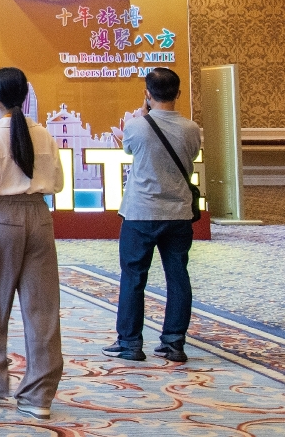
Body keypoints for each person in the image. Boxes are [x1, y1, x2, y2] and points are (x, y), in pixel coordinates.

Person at [0, 67, 64, 421]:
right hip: (39, 218)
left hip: (2, 218)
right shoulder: (45, 134)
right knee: (43, 309)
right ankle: (39, 397)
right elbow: (58, 184)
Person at [103, 67, 202, 364]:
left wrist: (141, 115)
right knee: (178, 276)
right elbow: (191, 155)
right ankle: (173, 343)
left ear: (147, 94)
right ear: (178, 93)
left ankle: (130, 342)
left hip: (141, 213)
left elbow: (129, 149)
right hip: (179, 213)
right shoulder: (191, 128)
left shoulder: (137, 125)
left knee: (134, 277)